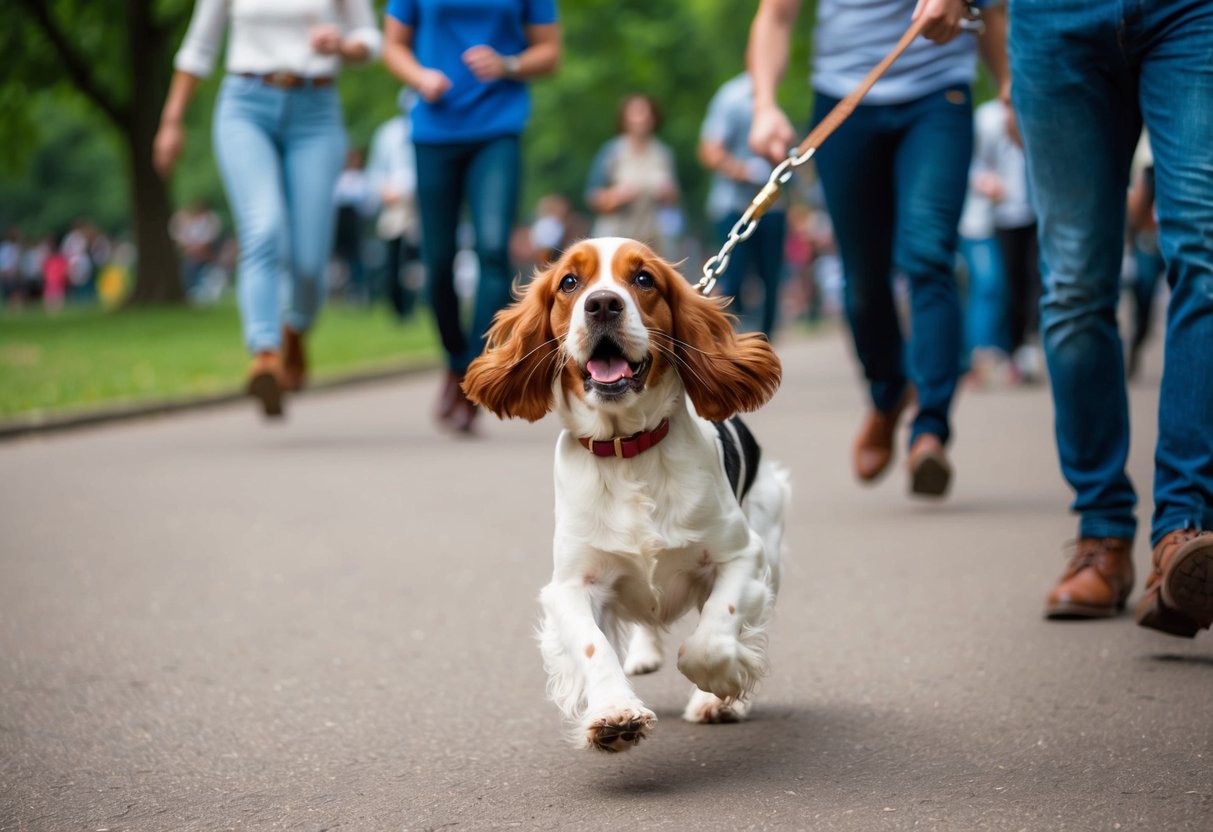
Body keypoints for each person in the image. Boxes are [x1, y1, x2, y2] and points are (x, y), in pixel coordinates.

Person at [748, 0, 1011, 498]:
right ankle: (887, 394)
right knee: (864, 280)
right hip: (845, 99)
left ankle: (929, 428)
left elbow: (991, 10)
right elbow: (775, 16)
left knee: (928, 255)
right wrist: (764, 104)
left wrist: (1007, 88)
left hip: (938, 93)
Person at [1011, 0, 1213, 635]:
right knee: (1074, 285)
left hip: (1191, 12)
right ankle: (1102, 532)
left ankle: (1182, 531)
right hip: (1051, 19)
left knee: (1205, 251)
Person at [154, 0, 381, 418]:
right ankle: (265, 353)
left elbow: (371, 40)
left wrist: (344, 46)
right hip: (244, 106)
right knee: (264, 227)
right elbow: (198, 49)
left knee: (310, 260)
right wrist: (172, 121)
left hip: (316, 111)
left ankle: (296, 328)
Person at [382, 0, 561, 433]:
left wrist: (508, 63)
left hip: (497, 128)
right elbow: (393, 46)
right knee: (437, 260)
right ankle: (454, 359)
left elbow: (549, 53)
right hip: (434, 131)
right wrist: (419, 76)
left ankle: (470, 375)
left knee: (493, 250)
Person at [699, 72, 788, 340]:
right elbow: (709, 151)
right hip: (733, 206)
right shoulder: (732, 96)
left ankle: (765, 345)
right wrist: (743, 171)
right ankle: (727, 341)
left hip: (772, 206)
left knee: (771, 278)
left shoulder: (778, 92)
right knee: (732, 277)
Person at [585, 94, 680, 257]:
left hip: (653, 240)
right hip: (615, 239)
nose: (641, 118)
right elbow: (592, 196)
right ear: (624, 119)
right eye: (636, 113)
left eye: (646, 113)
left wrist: (668, 194)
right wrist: (616, 196)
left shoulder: (663, 153)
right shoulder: (611, 151)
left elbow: (674, 198)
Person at [365, 91, 422, 321]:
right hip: (395, 204)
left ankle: (417, 304)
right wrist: (384, 191)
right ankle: (398, 308)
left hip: (421, 202)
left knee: (418, 261)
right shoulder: (388, 134)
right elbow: (375, 171)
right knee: (394, 259)